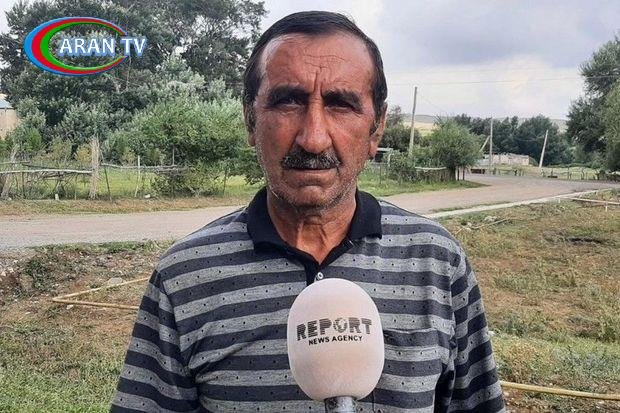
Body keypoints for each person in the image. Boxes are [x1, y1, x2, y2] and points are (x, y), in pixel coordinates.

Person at [111, 11, 505, 413]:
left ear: (377, 128)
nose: (313, 139)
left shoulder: (436, 261)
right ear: (250, 119)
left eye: (341, 104)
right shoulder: (185, 275)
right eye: (288, 101)